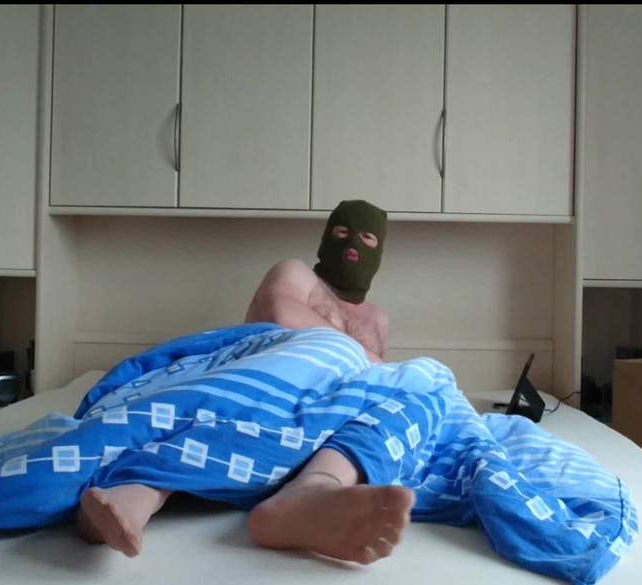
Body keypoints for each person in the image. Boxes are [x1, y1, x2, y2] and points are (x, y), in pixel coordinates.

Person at [76, 200, 416, 564]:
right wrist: (365, 358)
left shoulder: (377, 320)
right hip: (268, 387)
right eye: (342, 232)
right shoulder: (297, 273)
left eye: (366, 238)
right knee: (222, 420)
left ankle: (314, 489)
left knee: (390, 412)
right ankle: (133, 495)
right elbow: (282, 316)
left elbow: (371, 385)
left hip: (320, 415)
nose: (351, 245)